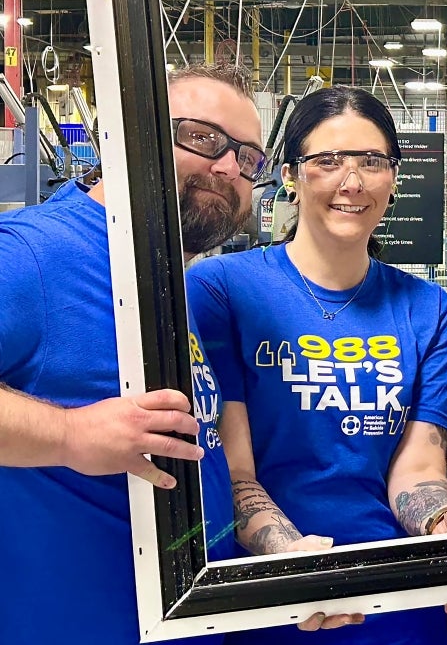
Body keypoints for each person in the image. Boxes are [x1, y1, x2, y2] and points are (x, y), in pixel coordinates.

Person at [186, 85, 447, 644]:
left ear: (394, 177)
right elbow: (235, 472)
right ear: (292, 176)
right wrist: (292, 559)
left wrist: (443, 524)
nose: (352, 182)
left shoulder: (429, 310)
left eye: (372, 161)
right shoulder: (222, 291)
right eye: (327, 162)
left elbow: (416, 470)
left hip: (394, 602)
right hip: (271, 600)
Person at [0, 62, 263, 644]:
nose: (226, 167)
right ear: (129, 135)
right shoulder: (35, 255)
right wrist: (67, 435)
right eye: (201, 137)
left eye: (248, 158)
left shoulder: (167, 281)